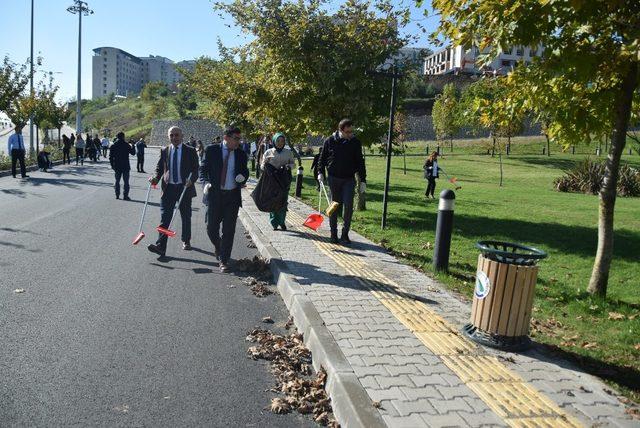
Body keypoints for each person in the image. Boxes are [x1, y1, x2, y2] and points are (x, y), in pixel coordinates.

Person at [201, 126, 249, 272]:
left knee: (229, 230)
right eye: (236, 139)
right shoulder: (211, 150)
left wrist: (243, 178)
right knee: (211, 228)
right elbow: (203, 169)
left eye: (239, 139)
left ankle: (224, 260)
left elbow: (245, 171)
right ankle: (218, 245)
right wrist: (206, 182)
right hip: (215, 195)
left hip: (232, 197)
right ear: (226, 137)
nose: (238, 142)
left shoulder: (241, 154)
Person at [147, 126, 199, 257]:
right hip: (168, 189)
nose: (174, 138)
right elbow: (160, 168)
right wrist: (155, 178)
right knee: (165, 219)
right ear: (168, 136)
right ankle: (161, 246)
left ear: (182, 136)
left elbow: (196, 170)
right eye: (171, 135)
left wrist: (191, 180)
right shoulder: (165, 150)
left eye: (176, 135)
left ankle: (186, 240)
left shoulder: (191, 151)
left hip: (184, 189)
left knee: (186, 216)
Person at [317, 118, 366, 245]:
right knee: (334, 206)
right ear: (340, 130)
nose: (350, 134)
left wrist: (363, 180)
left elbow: (360, 162)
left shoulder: (355, 142)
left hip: (349, 179)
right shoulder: (330, 141)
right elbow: (322, 159)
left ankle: (345, 234)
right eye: (348, 132)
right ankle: (333, 234)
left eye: (351, 132)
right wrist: (320, 172)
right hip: (333, 178)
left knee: (348, 206)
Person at [261, 133, 295, 231]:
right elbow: (262, 166)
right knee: (273, 201)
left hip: (284, 180)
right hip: (272, 180)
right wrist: (266, 164)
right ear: (274, 141)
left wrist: (288, 166)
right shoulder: (268, 152)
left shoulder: (288, 152)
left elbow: (293, 164)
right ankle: (274, 222)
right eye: (278, 141)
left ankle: (282, 222)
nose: (280, 143)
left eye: (282, 141)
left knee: (283, 201)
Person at [108, 132, 136, 200]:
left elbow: (110, 157)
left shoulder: (113, 145)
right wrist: (133, 145)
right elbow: (133, 153)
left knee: (117, 181)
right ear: (123, 137)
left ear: (117, 137)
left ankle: (117, 195)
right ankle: (125, 196)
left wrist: (112, 165)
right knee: (126, 182)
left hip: (117, 165)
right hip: (125, 165)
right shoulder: (126, 145)